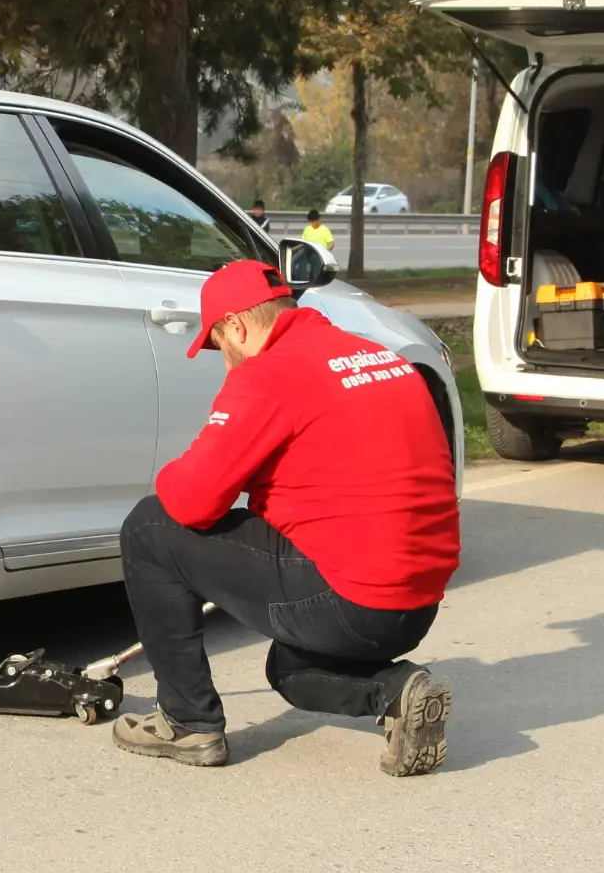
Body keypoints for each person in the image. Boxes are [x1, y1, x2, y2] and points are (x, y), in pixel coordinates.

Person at [114, 258, 459, 773]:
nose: (225, 361)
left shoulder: (268, 373)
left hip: (348, 597)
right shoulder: (377, 356)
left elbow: (191, 501)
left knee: (148, 526)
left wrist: (184, 466)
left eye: (218, 346)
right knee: (290, 669)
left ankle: (187, 724)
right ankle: (397, 690)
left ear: (236, 325)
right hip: (416, 604)